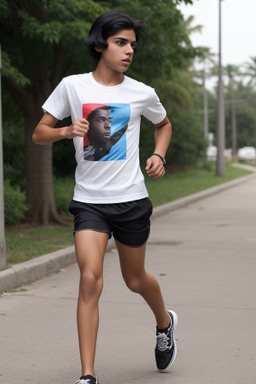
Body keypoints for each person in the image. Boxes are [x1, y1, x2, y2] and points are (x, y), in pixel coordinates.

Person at [32, 11, 177, 384]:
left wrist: (159, 154)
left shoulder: (141, 92)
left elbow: (163, 124)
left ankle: (164, 323)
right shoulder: (72, 86)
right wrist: (66, 131)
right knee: (90, 278)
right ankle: (87, 375)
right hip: (90, 202)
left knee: (134, 280)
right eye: (120, 43)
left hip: (130, 200)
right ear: (100, 44)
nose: (129, 50)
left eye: (132, 44)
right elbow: (39, 134)